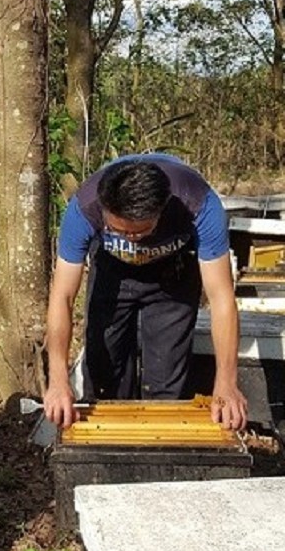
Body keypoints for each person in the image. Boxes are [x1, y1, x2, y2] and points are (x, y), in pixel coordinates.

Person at [44, 153, 248, 431]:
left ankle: (159, 449)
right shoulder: (83, 209)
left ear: (160, 211)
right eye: (118, 230)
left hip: (173, 275)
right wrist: (58, 380)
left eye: (137, 233)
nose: (130, 239)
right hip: (112, 273)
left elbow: (221, 298)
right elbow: (63, 296)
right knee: (104, 373)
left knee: (166, 380)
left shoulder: (200, 204)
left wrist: (227, 383)